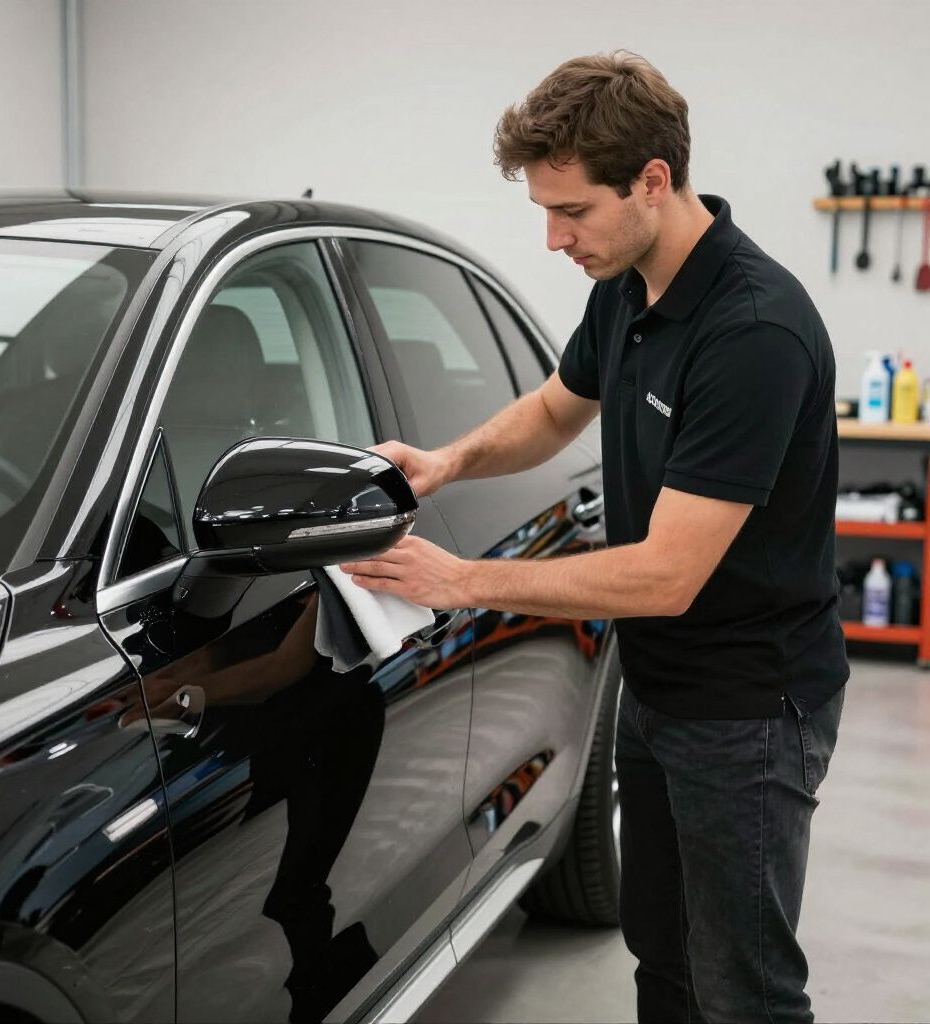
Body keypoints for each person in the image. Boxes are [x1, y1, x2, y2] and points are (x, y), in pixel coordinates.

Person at [340, 50, 848, 1023]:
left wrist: (460, 579)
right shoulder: (625, 288)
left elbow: (666, 573)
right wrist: (445, 461)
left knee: (746, 988)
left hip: (748, 710)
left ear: (651, 182)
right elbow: (553, 410)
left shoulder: (753, 332)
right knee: (662, 956)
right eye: (544, 209)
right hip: (657, 692)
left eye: (569, 212)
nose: (550, 237)